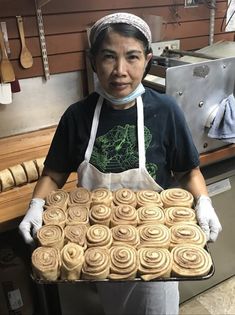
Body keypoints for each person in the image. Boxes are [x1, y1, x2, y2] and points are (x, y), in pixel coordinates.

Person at [19, 12, 222, 315]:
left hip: (157, 247)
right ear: (93, 60)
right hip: (96, 244)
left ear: (147, 59)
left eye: (132, 57)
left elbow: (187, 170)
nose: (120, 71)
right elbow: (54, 173)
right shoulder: (77, 116)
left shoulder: (166, 111)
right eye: (108, 57)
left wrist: (203, 201)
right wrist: (36, 206)